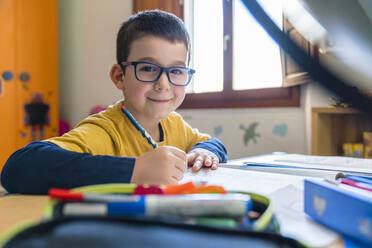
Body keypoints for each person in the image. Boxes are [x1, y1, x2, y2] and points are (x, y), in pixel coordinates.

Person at [0, 10, 227, 194]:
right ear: (120, 77)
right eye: (148, 68)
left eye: (176, 70)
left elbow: (212, 142)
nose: (164, 84)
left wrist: (205, 151)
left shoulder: (174, 124)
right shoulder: (105, 131)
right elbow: (19, 168)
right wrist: (135, 171)